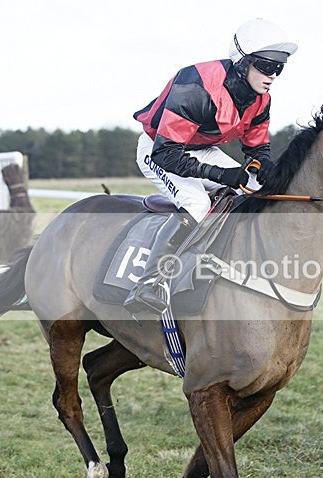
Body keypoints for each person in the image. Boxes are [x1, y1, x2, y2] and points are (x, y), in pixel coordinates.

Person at [124, 18, 297, 314]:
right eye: (266, 66)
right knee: (197, 203)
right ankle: (149, 283)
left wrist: (265, 166)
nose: (272, 75)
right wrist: (221, 175)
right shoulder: (197, 87)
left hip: (201, 149)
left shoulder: (261, 99)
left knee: (255, 189)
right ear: (243, 63)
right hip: (158, 150)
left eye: (278, 68)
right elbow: (167, 155)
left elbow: (256, 147)